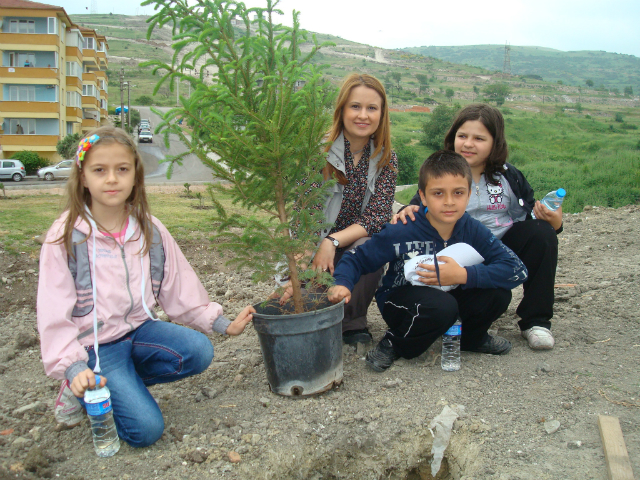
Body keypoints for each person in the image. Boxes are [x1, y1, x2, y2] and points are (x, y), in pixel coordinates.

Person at [37, 126, 255, 448]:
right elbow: (53, 311)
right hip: (95, 349)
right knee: (146, 430)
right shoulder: (67, 237)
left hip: (140, 332)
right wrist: (73, 366)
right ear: (83, 177)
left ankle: (117, 386)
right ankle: (81, 386)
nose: (112, 179)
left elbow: (178, 286)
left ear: (135, 176)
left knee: (199, 351)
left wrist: (221, 324)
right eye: (100, 170)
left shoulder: (149, 230)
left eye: (122, 169)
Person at [328, 150, 528, 371]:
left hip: (450, 295)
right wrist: (342, 283)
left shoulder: (472, 229)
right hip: (402, 300)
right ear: (422, 196)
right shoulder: (403, 229)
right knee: (443, 306)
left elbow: (516, 269)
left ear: (469, 194)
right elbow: (357, 258)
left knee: (498, 294)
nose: (449, 202)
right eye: (438, 193)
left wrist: (464, 275)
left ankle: (472, 338)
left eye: (458, 193)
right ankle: (394, 342)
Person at [394, 104, 562, 350]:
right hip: (452, 257)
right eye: (462, 136)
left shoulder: (509, 177)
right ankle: (440, 315)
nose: (468, 144)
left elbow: (527, 221)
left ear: (495, 143)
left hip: (494, 252)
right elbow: (417, 210)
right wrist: (405, 211)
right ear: (452, 138)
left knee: (541, 234)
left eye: (479, 138)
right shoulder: (440, 173)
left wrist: (554, 224)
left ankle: (536, 322)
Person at [278, 73, 398, 345]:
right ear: (342, 109)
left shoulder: (386, 158)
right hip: (313, 244)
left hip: (352, 243)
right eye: (355, 106)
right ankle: (316, 309)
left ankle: (353, 322)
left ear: (382, 114)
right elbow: (305, 214)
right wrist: (305, 258)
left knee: (373, 243)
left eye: (372, 108)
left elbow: (377, 216)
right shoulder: (317, 152)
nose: (363, 115)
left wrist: (333, 242)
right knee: (301, 307)